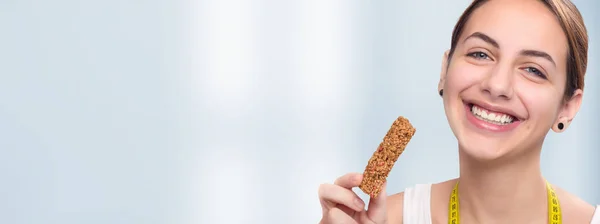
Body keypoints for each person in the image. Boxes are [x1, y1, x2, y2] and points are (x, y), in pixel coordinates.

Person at [317, 0, 600, 223]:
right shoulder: (382, 220)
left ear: (568, 107)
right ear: (444, 71)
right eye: (480, 54)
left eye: (533, 70)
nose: (497, 85)